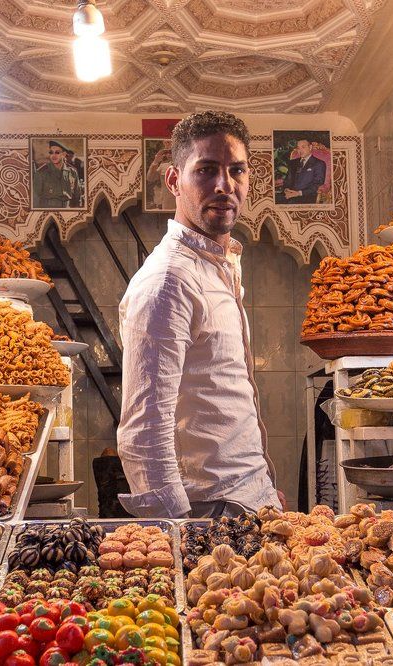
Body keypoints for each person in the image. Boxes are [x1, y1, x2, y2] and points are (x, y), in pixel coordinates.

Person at [117, 111, 283, 518]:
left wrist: (263, 490)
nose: (224, 185)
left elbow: (221, 400)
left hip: (247, 501)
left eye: (236, 170)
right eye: (206, 170)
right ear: (174, 181)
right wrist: (182, 531)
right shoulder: (169, 281)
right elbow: (143, 434)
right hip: (208, 513)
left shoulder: (219, 266)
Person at [32, 139, 84, 208]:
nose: (53, 155)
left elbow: (77, 197)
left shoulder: (72, 172)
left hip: (67, 210)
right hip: (48, 210)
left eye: (57, 152)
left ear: (64, 154)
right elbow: (35, 200)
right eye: (51, 152)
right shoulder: (41, 172)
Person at [281, 138, 326, 204]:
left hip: (306, 197)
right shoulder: (293, 162)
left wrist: (298, 193)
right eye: (298, 148)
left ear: (310, 147)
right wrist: (286, 189)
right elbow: (287, 180)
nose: (300, 150)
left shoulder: (319, 163)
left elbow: (317, 184)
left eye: (303, 147)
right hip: (288, 196)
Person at [145, 144, 174, 211]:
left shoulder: (185, 164)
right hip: (168, 202)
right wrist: (156, 161)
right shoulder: (163, 166)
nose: (169, 154)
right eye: (167, 153)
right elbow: (150, 178)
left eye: (171, 152)